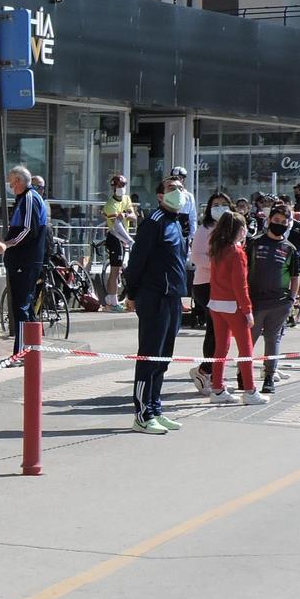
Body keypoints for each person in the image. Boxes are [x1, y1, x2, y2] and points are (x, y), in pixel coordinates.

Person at [123, 176, 191, 433]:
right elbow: (137, 260)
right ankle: (141, 414)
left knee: (163, 358)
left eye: (181, 188)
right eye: (172, 189)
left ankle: (155, 408)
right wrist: (132, 293)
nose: (179, 192)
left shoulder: (177, 222)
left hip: (173, 298)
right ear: (160, 196)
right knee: (149, 356)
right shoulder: (154, 222)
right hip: (154, 297)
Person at [203, 209, 264, 406]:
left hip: (216, 303)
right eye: (244, 227)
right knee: (245, 349)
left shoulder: (216, 247)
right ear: (238, 230)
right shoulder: (237, 252)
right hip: (233, 306)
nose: (246, 230)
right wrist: (247, 310)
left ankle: (218, 388)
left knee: (221, 348)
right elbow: (241, 285)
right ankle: (250, 390)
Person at [249, 203, 300, 394]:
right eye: (275, 220)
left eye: (283, 221)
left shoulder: (290, 249)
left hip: (279, 303)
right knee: (249, 340)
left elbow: (295, 276)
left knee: (273, 340)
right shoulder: (255, 243)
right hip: (255, 301)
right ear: (268, 220)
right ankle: (245, 375)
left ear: (289, 223)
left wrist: (291, 299)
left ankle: (269, 377)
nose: (279, 224)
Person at [0, 165, 49, 360]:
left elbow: (28, 229)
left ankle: (20, 353)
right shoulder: (27, 198)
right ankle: (30, 351)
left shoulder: (29, 198)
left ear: (19, 181)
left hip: (25, 260)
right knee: (24, 306)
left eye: (12, 181)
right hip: (25, 260)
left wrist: (6, 244)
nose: (10, 185)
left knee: (21, 307)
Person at [187, 191, 230, 392]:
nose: (219, 207)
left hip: (227, 286)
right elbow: (196, 256)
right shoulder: (204, 230)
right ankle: (205, 371)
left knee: (221, 331)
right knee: (214, 328)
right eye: (216, 204)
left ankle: (212, 372)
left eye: (224, 204)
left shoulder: (233, 228)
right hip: (206, 284)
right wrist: (220, 265)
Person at [101, 172, 136, 306]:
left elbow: (133, 216)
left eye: (123, 185)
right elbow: (116, 225)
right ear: (114, 188)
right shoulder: (110, 204)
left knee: (121, 268)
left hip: (123, 238)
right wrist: (129, 239)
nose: (122, 187)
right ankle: (112, 302)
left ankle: (116, 299)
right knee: (115, 271)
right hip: (115, 237)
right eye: (119, 185)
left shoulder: (126, 199)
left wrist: (126, 214)